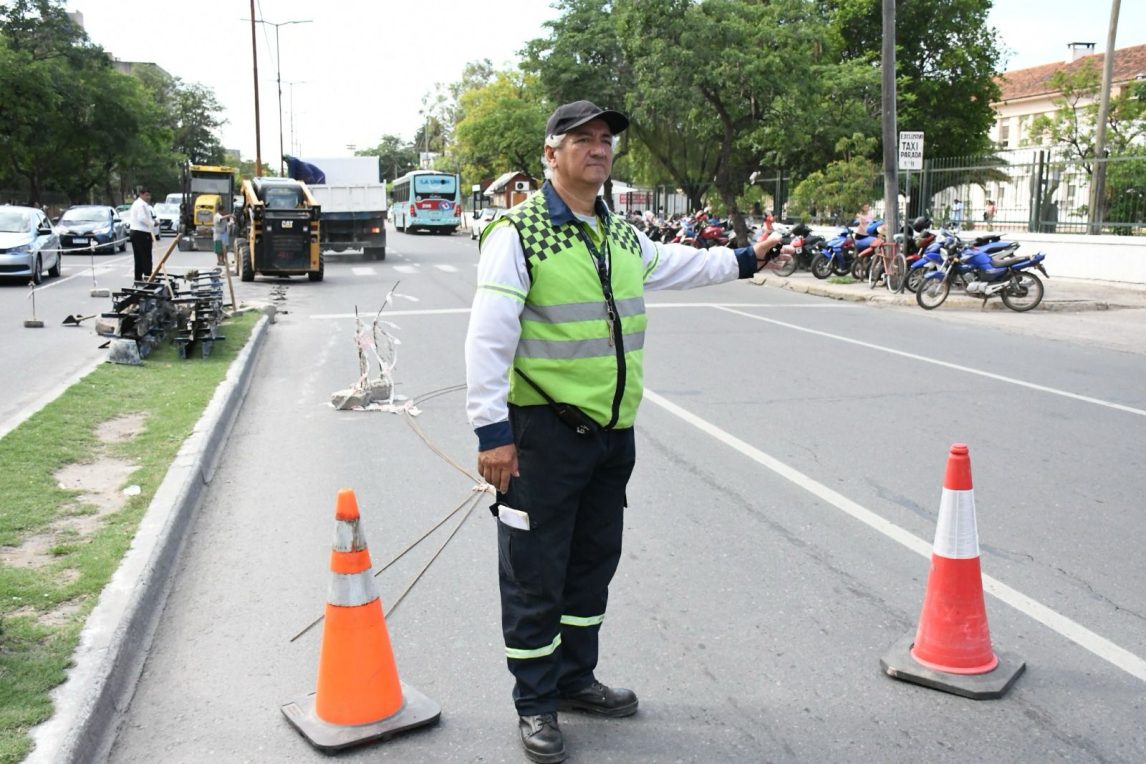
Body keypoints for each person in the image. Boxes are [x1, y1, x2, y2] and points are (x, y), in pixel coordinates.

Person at [464, 100, 783, 764]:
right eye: (581, 139)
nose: (598, 148)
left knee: (590, 566)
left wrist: (748, 259)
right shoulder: (518, 235)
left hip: (611, 439)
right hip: (541, 438)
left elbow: (682, 265)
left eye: (605, 139)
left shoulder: (621, 234)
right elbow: (487, 340)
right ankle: (536, 704)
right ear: (550, 154)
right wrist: (492, 432)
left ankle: (576, 680)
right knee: (534, 574)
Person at [128, 187, 156, 281]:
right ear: (141, 194)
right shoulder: (141, 205)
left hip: (136, 232)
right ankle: (148, 276)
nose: (148, 197)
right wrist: (153, 223)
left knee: (139, 256)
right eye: (146, 195)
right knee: (146, 256)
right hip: (141, 233)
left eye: (149, 195)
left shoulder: (140, 204)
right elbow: (142, 218)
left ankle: (138, 278)